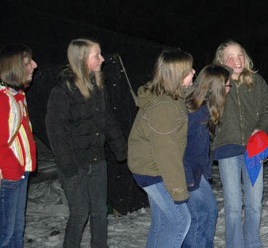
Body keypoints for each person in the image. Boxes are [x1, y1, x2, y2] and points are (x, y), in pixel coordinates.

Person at [46, 38, 128, 248]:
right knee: (80, 213)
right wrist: (67, 166)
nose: (102, 59)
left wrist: (121, 149)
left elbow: (107, 119)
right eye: (96, 55)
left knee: (99, 211)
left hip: (97, 159)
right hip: (75, 163)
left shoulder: (97, 85)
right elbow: (56, 131)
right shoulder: (62, 90)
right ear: (82, 59)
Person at [127, 48, 194, 247]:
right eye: (189, 70)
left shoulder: (173, 99)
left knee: (163, 222)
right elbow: (167, 154)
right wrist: (178, 191)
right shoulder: (164, 107)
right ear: (177, 76)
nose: (194, 72)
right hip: (153, 171)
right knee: (181, 221)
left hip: (152, 169)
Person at [212, 40, 268, 248]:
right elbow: (204, 112)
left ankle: (253, 243)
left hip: (253, 149)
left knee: (254, 203)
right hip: (227, 148)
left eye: (240, 55)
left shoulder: (256, 82)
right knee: (232, 206)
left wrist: (261, 129)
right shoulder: (216, 82)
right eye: (231, 56)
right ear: (221, 60)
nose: (237, 60)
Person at [182, 64, 230, 247]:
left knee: (209, 212)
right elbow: (182, 150)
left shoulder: (203, 111)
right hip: (188, 174)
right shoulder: (195, 114)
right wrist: (190, 180)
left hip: (197, 172)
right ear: (216, 89)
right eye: (227, 85)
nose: (229, 89)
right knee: (198, 216)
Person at [0, 44, 37, 247]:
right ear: (13, 68)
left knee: (16, 230)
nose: (34, 65)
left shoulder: (17, 96)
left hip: (20, 171)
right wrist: (13, 171)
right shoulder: (2, 99)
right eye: (27, 63)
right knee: (5, 234)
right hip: (8, 176)